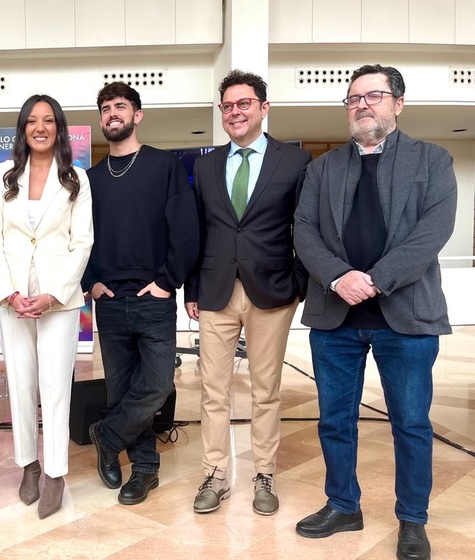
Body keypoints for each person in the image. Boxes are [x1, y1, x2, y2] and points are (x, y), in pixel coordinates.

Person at [293, 64, 457, 560]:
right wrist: (339, 277)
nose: (361, 105)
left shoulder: (432, 160)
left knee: (411, 423)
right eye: (353, 98)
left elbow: (434, 232)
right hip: (335, 318)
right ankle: (343, 505)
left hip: (405, 319)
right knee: (334, 420)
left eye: (374, 95)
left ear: (398, 104)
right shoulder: (322, 168)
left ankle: (413, 520)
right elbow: (304, 230)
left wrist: (376, 279)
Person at [184, 70, 312, 516]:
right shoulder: (204, 164)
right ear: (220, 113)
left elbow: (307, 227)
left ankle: (264, 474)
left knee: (266, 390)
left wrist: (298, 282)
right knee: (212, 390)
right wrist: (192, 288)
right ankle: (216, 474)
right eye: (227, 106)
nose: (235, 112)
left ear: (264, 108)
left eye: (244, 104)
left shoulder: (294, 162)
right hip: (216, 293)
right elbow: (197, 232)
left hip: (273, 293)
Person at [84, 81, 199, 506]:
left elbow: (185, 229)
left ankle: (107, 435)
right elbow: (79, 238)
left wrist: (168, 280)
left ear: (137, 115)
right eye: (105, 109)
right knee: (120, 390)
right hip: (109, 301)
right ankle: (144, 470)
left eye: (120, 106)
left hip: (154, 297)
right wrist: (89, 283)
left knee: (156, 385)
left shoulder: (163, 166)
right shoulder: (90, 178)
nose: (112, 114)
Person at [0, 94, 93, 519]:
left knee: (54, 387)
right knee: (22, 384)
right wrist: (9, 292)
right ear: (23, 129)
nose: (40, 127)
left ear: (59, 128)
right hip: (13, 300)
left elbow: (82, 242)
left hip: (58, 301)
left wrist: (53, 293)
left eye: (48, 121)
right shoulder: (2, 175)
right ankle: (28, 464)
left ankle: (55, 473)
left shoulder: (76, 179)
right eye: (32, 121)